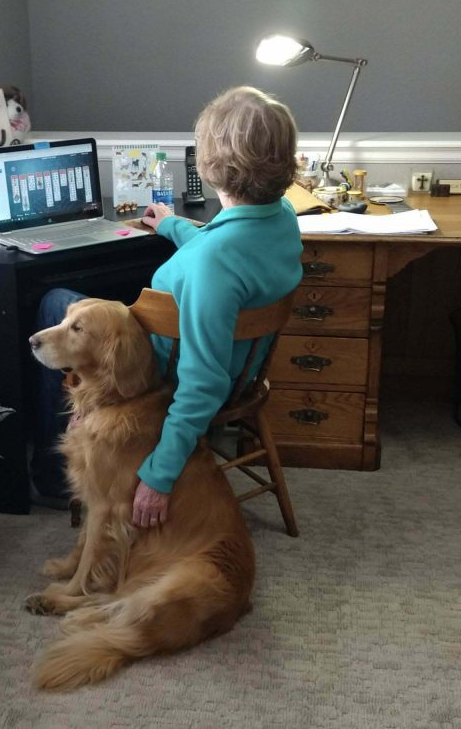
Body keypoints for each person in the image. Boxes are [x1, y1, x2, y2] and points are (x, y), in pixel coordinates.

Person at [31, 86, 303, 527]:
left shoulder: (212, 263)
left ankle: (51, 471)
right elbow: (229, 256)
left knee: (55, 303)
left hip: (162, 378)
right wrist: (174, 226)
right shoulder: (281, 216)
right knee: (82, 307)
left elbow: (203, 382)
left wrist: (159, 476)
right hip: (245, 373)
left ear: (212, 162)